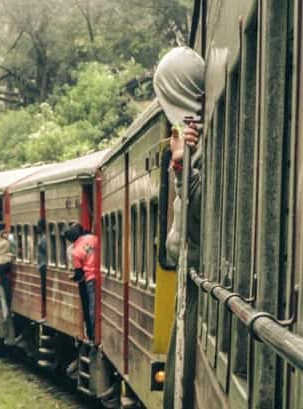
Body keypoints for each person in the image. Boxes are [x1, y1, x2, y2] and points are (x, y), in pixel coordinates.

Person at [153, 46, 205, 409]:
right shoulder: (193, 149)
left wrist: (182, 168)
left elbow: (192, 232)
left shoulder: (200, 152)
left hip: (200, 295)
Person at [64, 222, 99, 341]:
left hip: (89, 279)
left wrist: (73, 278)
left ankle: (93, 332)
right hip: (100, 276)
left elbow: (79, 274)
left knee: (91, 306)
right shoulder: (93, 238)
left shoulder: (74, 252)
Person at [36, 219, 48, 312]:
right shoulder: (42, 237)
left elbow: (46, 251)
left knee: (44, 288)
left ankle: (45, 309)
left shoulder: (44, 239)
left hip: (44, 265)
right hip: (42, 265)